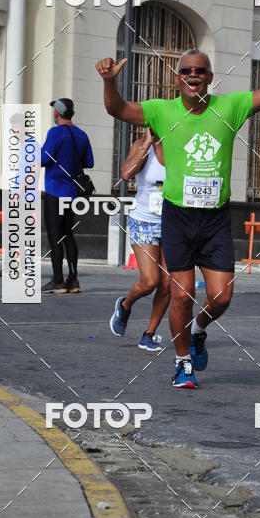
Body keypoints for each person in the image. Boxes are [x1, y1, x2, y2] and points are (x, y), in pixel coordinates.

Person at [96, 48, 260, 389]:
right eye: (186, 71)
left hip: (215, 220)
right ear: (178, 78)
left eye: (200, 70)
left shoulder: (230, 106)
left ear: (209, 77)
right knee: (180, 295)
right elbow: (117, 109)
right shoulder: (161, 111)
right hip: (177, 217)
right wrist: (109, 81)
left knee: (222, 297)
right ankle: (182, 365)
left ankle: (197, 331)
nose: (193, 75)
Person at [109, 127, 171, 352]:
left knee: (167, 283)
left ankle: (149, 334)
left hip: (174, 223)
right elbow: (126, 174)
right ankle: (125, 306)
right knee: (150, 281)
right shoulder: (141, 145)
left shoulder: (180, 146)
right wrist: (146, 144)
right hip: (144, 220)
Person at [41, 98, 94, 294]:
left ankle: (57, 280)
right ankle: (73, 280)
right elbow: (89, 162)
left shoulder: (55, 133)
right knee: (68, 235)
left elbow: (44, 158)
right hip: (73, 194)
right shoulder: (81, 134)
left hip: (55, 191)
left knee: (55, 237)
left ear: (57, 113)